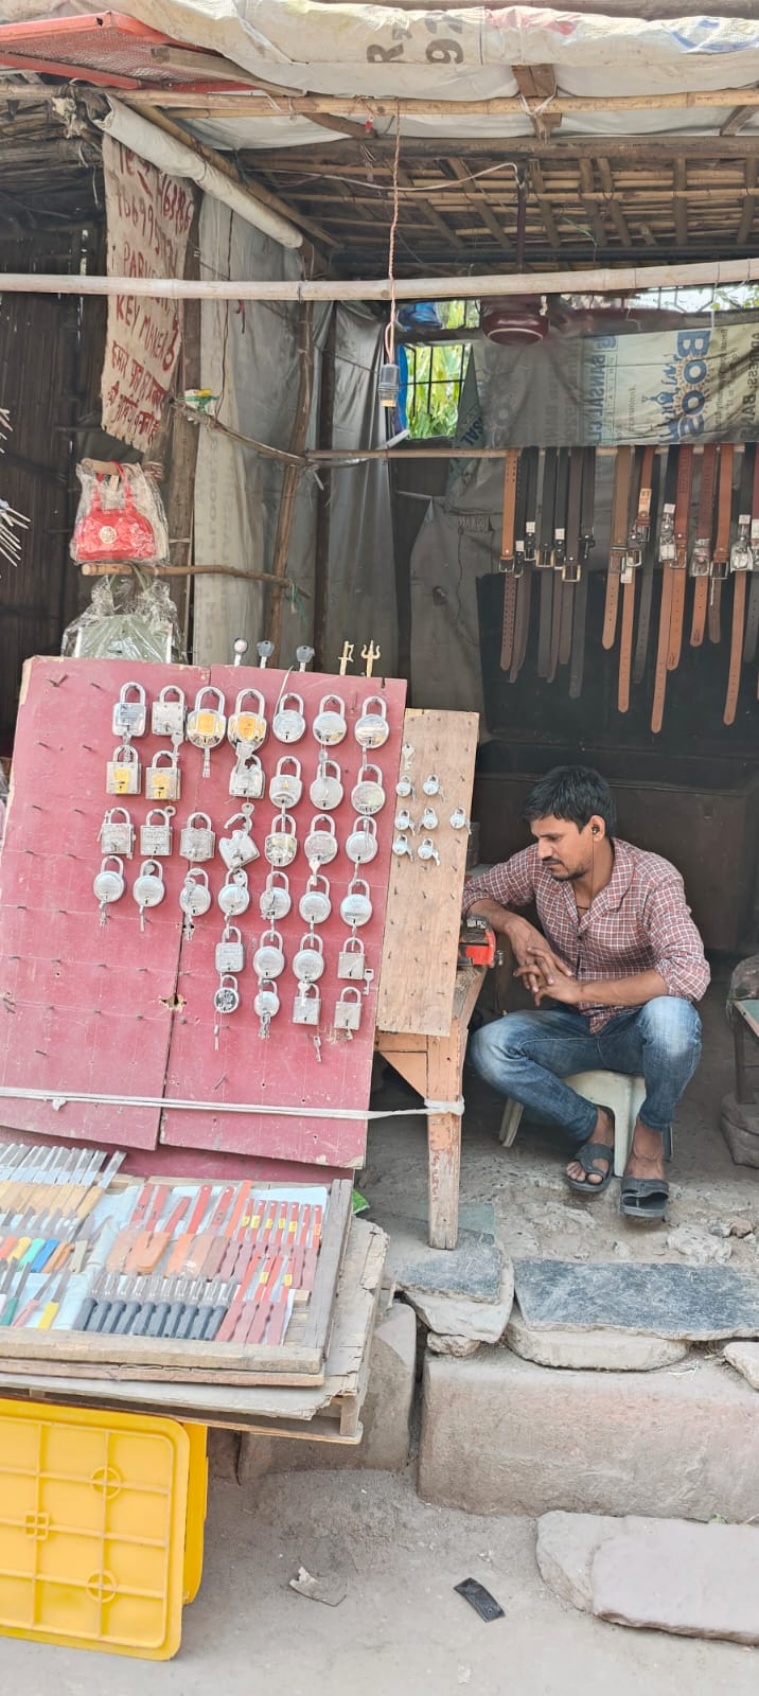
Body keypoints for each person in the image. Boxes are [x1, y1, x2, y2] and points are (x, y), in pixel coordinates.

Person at [464, 766, 709, 1220]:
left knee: (674, 1021)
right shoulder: (540, 868)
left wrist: (582, 990)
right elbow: (471, 892)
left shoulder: (653, 879)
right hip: (572, 1030)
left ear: (594, 828)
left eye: (553, 838)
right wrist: (515, 925)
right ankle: (596, 1125)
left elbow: (690, 972)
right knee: (490, 1046)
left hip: (635, 1031)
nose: (541, 852)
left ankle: (648, 1136)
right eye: (538, 838)